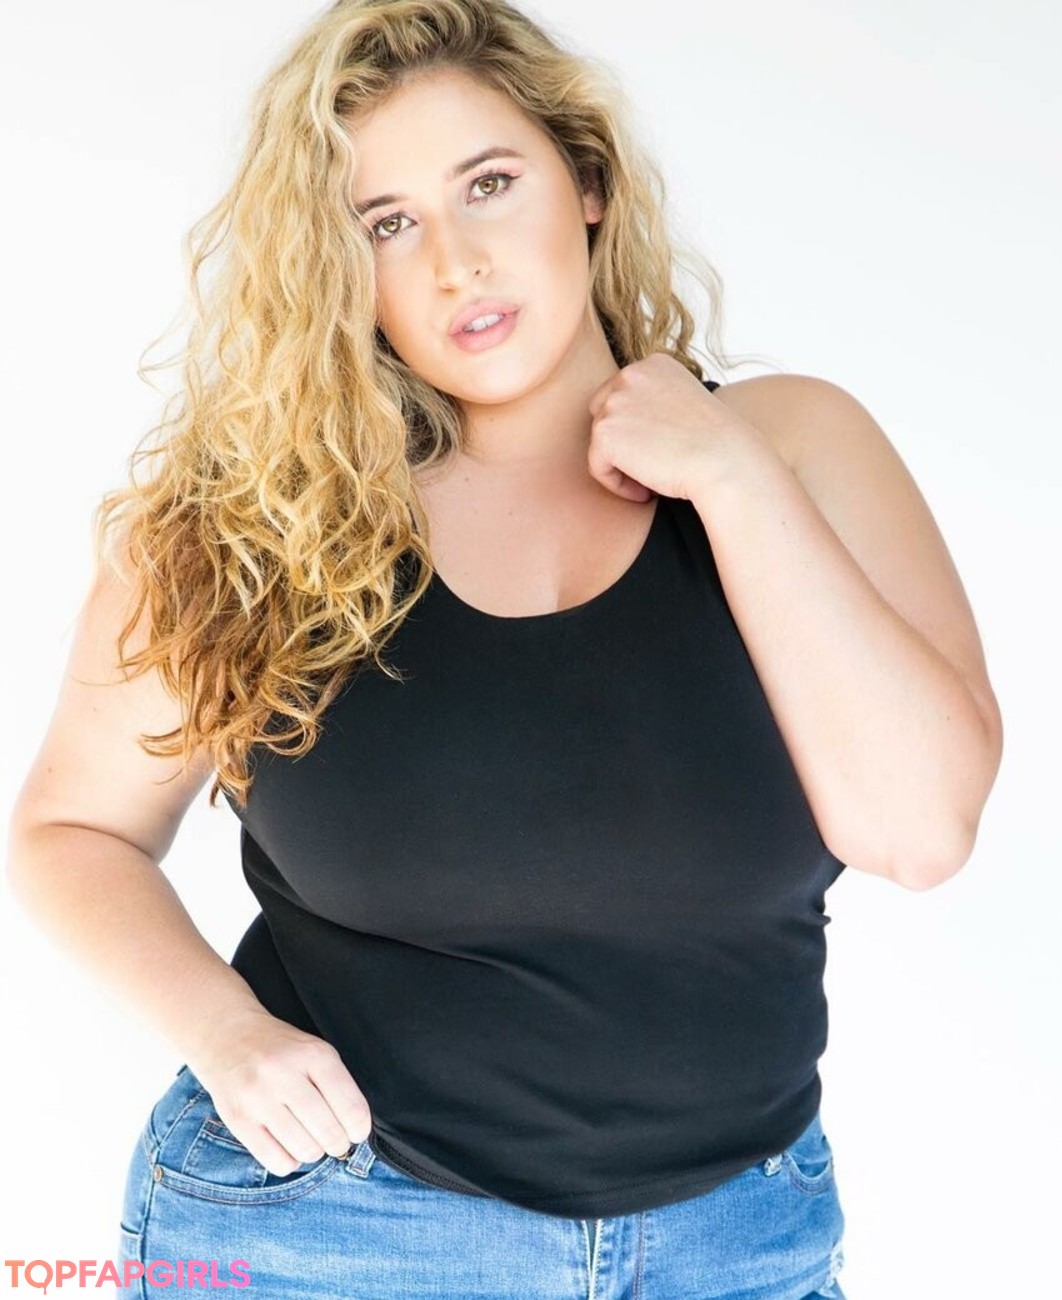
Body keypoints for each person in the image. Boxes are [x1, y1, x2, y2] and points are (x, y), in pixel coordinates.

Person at [6, 1, 1003, 1296]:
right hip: (336, 1233)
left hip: (738, 1246)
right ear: (335, 268)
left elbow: (920, 834)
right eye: (387, 223)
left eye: (488, 183)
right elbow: (70, 830)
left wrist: (731, 476)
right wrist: (223, 1031)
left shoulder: (795, 447)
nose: (457, 263)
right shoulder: (254, 526)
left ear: (585, 182)